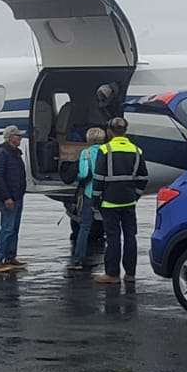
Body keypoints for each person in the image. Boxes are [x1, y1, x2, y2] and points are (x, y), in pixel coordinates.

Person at [93, 116, 149, 287]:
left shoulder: (105, 150)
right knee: (131, 237)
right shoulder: (136, 150)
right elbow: (143, 177)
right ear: (125, 131)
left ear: (110, 131)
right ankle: (130, 274)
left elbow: (99, 178)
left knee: (113, 238)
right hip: (129, 202)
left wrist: (96, 200)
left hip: (109, 203)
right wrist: (136, 195)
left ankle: (112, 274)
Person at [0, 125, 28, 272]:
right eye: (17, 136)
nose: (20, 138)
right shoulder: (2, 153)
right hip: (10, 198)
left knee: (14, 228)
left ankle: (10, 256)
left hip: (17, 196)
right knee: (7, 228)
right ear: (10, 137)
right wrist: (6, 197)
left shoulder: (15, 154)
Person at [69, 123, 106, 269]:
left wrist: (77, 178)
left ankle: (78, 259)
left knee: (85, 227)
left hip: (90, 193)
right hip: (106, 192)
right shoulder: (107, 151)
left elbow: (84, 174)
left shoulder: (86, 153)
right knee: (111, 228)